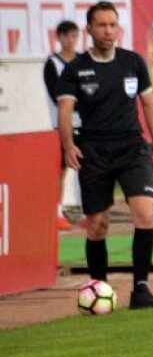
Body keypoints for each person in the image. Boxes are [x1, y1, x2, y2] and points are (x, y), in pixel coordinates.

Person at [55, 1, 153, 310]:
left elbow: (149, 105)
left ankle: (141, 288)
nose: (109, 31)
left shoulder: (133, 62)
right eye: (102, 25)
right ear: (88, 30)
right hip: (93, 150)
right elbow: (65, 111)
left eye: (113, 25)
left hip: (132, 148)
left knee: (145, 213)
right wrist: (68, 147)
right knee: (98, 225)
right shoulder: (75, 69)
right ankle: (98, 288)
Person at [44, 20, 81, 231]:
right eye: (66, 36)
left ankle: (84, 210)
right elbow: (54, 92)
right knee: (61, 169)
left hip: (84, 122)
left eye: (74, 36)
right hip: (61, 124)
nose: (70, 40)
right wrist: (71, 105)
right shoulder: (52, 64)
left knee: (85, 168)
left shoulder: (83, 62)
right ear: (58, 38)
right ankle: (56, 212)